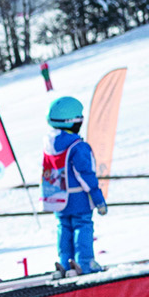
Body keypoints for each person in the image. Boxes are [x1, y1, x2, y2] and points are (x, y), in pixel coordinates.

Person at [41, 95, 108, 276]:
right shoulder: (78, 146)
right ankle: (84, 262)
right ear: (72, 121)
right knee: (82, 225)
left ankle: (65, 262)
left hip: (57, 195)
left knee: (64, 227)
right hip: (78, 196)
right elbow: (85, 174)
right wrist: (98, 199)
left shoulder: (49, 145)